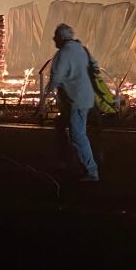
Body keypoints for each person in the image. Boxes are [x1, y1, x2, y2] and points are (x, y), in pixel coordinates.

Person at [44, 24, 99, 182]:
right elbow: (94, 66)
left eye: (55, 36)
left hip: (77, 100)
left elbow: (56, 78)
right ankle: (64, 162)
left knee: (78, 135)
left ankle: (91, 171)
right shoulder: (81, 49)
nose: (54, 39)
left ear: (61, 37)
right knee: (61, 127)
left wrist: (44, 101)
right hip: (85, 97)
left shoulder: (63, 54)